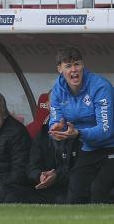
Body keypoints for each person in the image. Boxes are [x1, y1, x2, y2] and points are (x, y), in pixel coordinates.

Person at [48, 45, 114, 203]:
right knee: (75, 193)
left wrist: (79, 133)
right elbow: (56, 119)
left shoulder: (100, 86)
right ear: (60, 69)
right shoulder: (57, 90)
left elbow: (106, 130)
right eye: (68, 66)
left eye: (77, 64)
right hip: (89, 147)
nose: (74, 70)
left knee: (98, 190)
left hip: (111, 146)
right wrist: (57, 128)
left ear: (83, 65)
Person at [0, 116, 76, 203]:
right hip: (43, 187)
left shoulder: (76, 132)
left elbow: (79, 171)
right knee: (10, 196)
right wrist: (40, 176)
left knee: (63, 199)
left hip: (68, 189)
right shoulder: (43, 133)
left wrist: (56, 176)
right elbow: (32, 167)